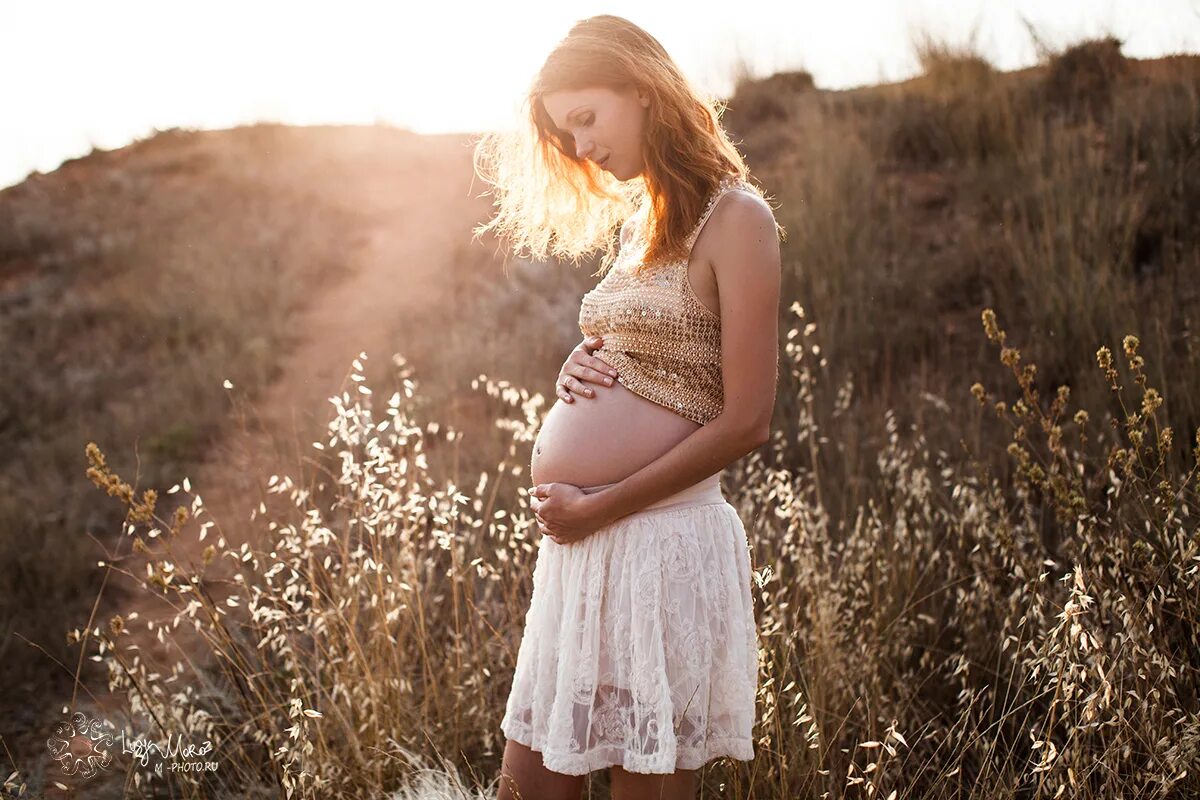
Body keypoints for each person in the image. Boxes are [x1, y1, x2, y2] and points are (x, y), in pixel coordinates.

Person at [472, 14, 782, 800]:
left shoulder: (737, 220)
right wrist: (583, 362)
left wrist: (601, 503)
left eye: (586, 118)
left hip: (656, 549)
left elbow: (746, 419)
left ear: (644, 93)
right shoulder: (642, 220)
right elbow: (660, 352)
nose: (580, 149)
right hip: (584, 552)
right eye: (563, 132)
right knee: (525, 789)